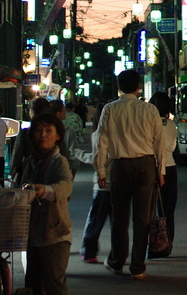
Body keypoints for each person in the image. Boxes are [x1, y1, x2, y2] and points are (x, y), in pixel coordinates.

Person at [93, 69, 165, 280]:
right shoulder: (150, 110)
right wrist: (161, 171)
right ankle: (138, 267)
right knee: (143, 218)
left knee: (120, 217)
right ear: (138, 87)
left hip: (120, 166)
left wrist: (101, 170)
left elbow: (101, 142)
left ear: (118, 87)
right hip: (146, 165)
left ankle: (117, 262)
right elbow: (158, 143)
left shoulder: (109, 109)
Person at [22, 112, 73, 295]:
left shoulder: (59, 162)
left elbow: (65, 187)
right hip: (33, 234)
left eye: (48, 130)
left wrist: (44, 190)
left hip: (55, 235)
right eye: (38, 130)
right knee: (33, 284)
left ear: (58, 136)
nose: (43, 135)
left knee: (54, 286)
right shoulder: (30, 161)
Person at [71, 101, 111, 263]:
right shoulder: (121, 134)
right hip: (119, 181)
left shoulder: (98, 135)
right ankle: (118, 253)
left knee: (95, 219)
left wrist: (78, 154)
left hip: (102, 183)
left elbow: (97, 159)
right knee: (118, 222)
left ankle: (89, 251)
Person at [148, 91, 178, 258]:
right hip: (170, 167)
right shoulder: (172, 125)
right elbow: (172, 147)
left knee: (150, 209)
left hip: (153, 168)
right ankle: (168, 244)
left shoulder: (149, 123)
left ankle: (153, 245)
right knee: (168, 211)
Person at [11, 97, 54, 185]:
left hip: (29, 178)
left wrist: (13, 175)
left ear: (32, 112)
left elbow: (16, 159)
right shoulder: (55, 133)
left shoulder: (25, 133)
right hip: (51, 177)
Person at [51, 99, 82, 179]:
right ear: (58, 114)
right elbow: (73, 152)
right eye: (64, 110)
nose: (66, 113)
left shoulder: (42, 130)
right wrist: (74, 170)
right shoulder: (68, 131)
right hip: (63, 170)